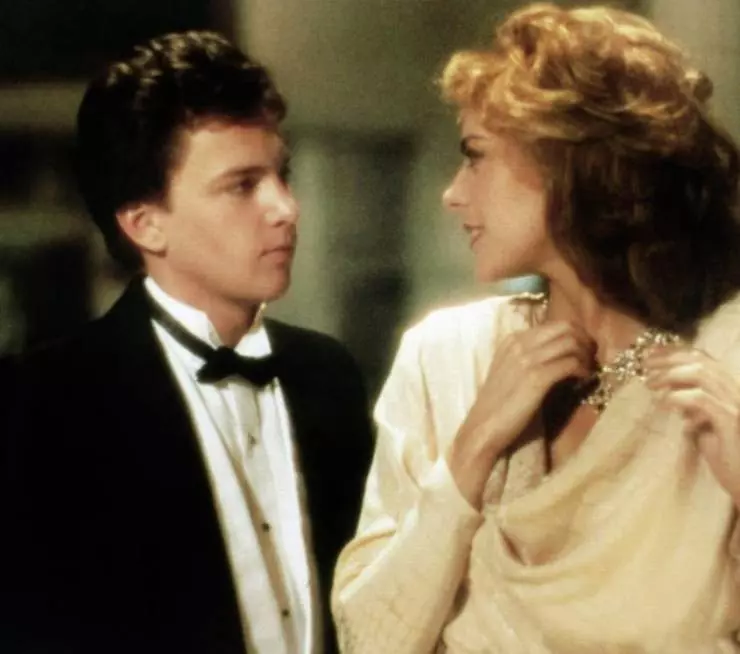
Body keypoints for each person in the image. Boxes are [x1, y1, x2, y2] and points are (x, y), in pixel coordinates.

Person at [332, 3, 740, 652]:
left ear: (566, 164)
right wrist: (472, 450)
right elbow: (369, 641)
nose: (453, 193)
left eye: (476, 156)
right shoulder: (446, 356)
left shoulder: (725, 357)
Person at [0, 31, 374, 654]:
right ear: (146, 224)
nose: (285, 207)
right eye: (243, 185)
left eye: (281, 175)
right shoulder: (41, 402)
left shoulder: (327, 375)